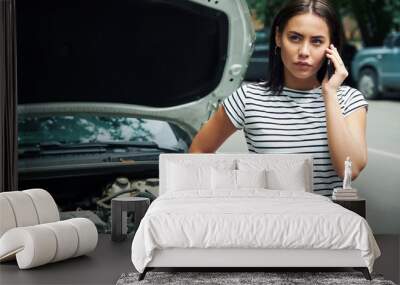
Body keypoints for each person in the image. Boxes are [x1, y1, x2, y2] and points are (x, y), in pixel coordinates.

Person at [188, 0, 368, 197]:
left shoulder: (349, 100)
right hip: (269, 223)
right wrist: (229, 197)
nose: (304, 52)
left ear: (330, 47)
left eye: (316, 41)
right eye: (295, 38)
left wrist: (330, 94)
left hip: (331, 225)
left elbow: (350, 170)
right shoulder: (249, 98)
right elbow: (198, 151)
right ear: (278, 38)